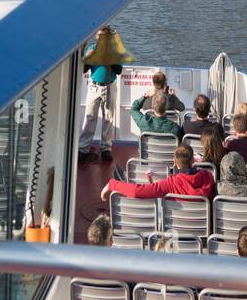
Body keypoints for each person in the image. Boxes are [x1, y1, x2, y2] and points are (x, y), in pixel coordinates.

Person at [79, 25, 132, 163]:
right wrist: (89, 58)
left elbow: (118, 70)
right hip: (94, 86)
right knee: (90, 117)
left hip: (109, 86)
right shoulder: (92, 49)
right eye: (97, 36)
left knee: (108, 117)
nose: (98, 39)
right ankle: (83, 148)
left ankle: (106, 148)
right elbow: (84, 69)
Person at [101, 143, 215, 201]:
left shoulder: (170, 183)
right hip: (201, 233)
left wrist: (112, 184)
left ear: (174, 162)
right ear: (193, 160)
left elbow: (137, 192)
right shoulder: (208, 177)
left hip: (174, 231)